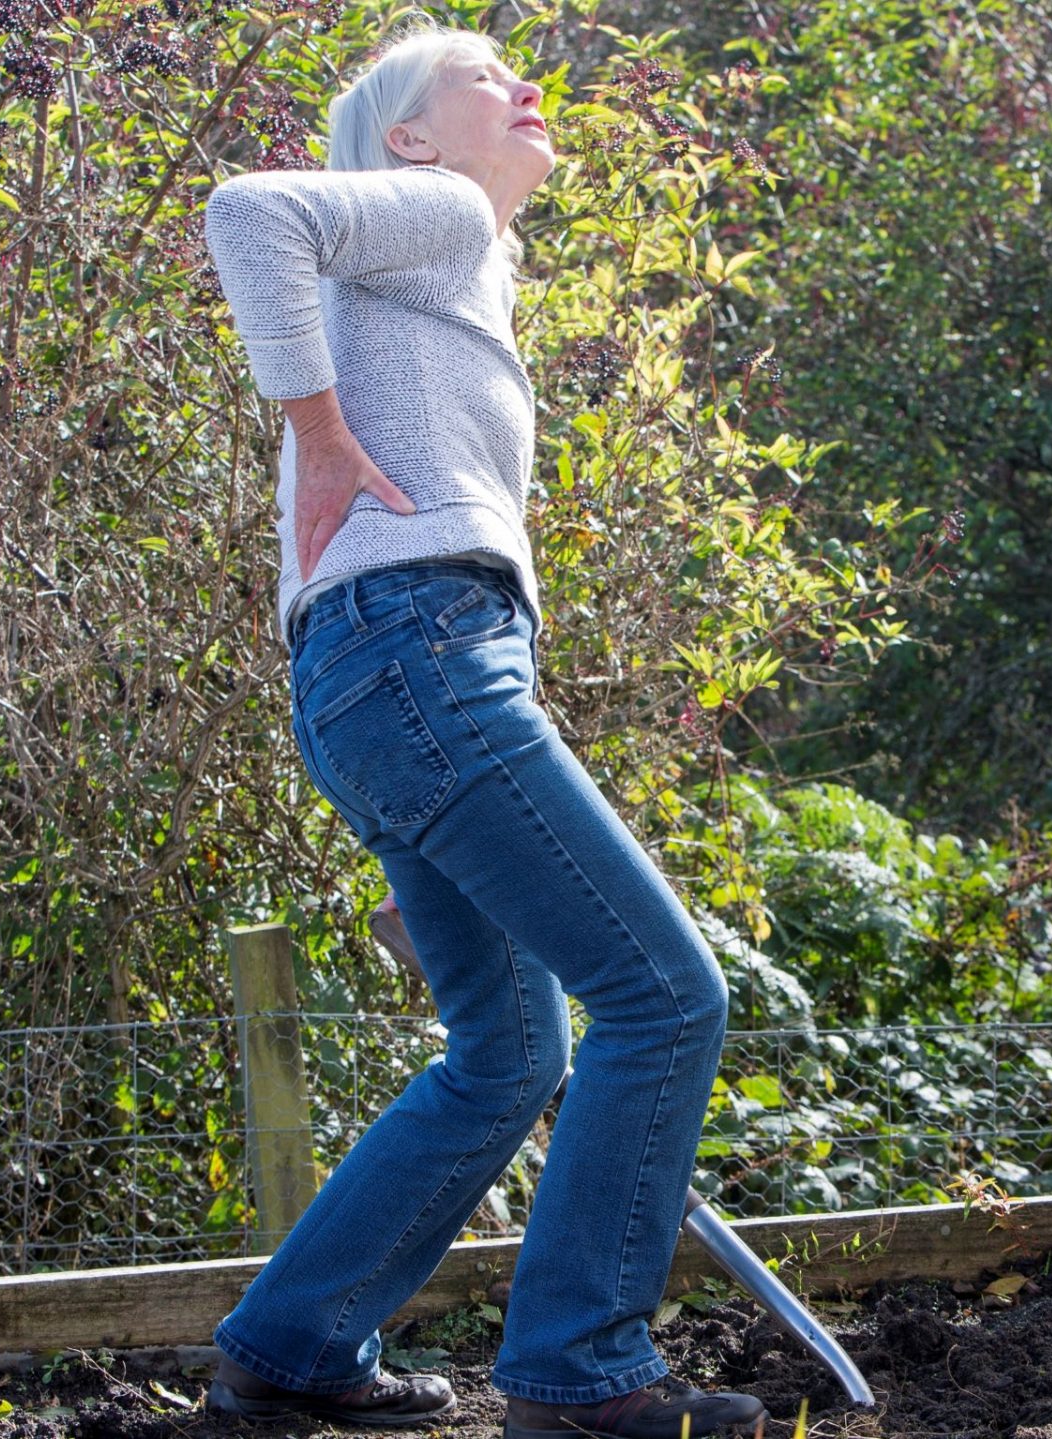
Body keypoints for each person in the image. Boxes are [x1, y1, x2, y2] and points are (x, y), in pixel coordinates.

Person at [197, 25, 767, 1438]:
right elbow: (248, 208)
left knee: (511, 1048)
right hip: (417, 661)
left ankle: (293, 1344)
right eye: (481, 76)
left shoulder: (448, 271)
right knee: (664, 994)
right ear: (409, 142)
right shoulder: (440, 216)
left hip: (382, 685)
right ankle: (580, 1372)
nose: (524, 88)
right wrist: (319, 433)